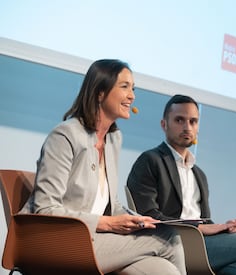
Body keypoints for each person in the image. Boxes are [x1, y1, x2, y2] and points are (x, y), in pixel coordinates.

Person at [20, 59, 186, 275]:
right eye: (124, 87)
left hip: (96, 239)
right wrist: (108, 223)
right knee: (169, 239)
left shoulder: (114, 138)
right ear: (100, 92)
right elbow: (46, 210)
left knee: (164, 270)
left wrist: (135, 219)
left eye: (133, 89)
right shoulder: (65, 135)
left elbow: (110, 202)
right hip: (58, 242)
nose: (132, 96)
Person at [127, 94, 236, 275]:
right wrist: (200, 228)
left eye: (193, 121)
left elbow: (206, 221)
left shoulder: (198, 173)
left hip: (202, 244)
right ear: (164, 124)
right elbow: (147, 216)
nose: (187, 127)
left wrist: (225, 228)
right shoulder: (150, 161)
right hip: (173, 243)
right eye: (179, 120)